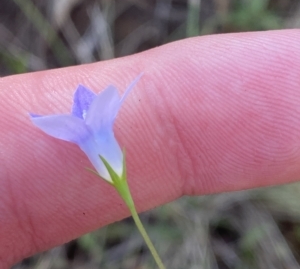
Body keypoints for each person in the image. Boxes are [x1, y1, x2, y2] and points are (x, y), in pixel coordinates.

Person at [1, 29, 300, 267]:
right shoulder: (99, 117)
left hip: (111, 164)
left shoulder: (100, 118)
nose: (84, 100)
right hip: (109, 163)